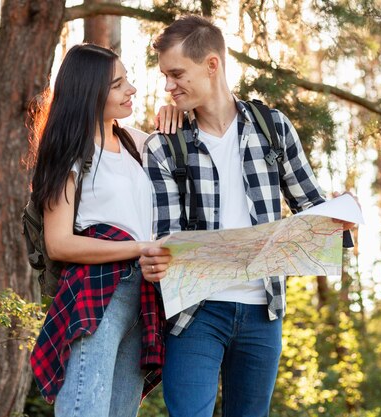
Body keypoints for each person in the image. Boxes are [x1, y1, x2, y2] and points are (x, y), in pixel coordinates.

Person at [139, 15, 355, 417]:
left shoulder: (273, 129)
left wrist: (340, 217)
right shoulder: (164, 146)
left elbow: (311, 206)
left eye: (176, 74)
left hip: (263, 312)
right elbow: (167, 239)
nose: (168, 86)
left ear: (212, 64)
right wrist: (156, 261)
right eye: (165, 76)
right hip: (194, 315)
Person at [28, 44, 171, 417]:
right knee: (83, 410)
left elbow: (190, 142)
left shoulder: (135, 142)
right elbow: (58, 243)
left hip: (144, 297)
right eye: (118, 85)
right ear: (90, 91)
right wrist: (139, 248)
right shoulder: (68, 152)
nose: (132, 91)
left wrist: (174, 112)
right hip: (98, 291)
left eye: (129, 80)